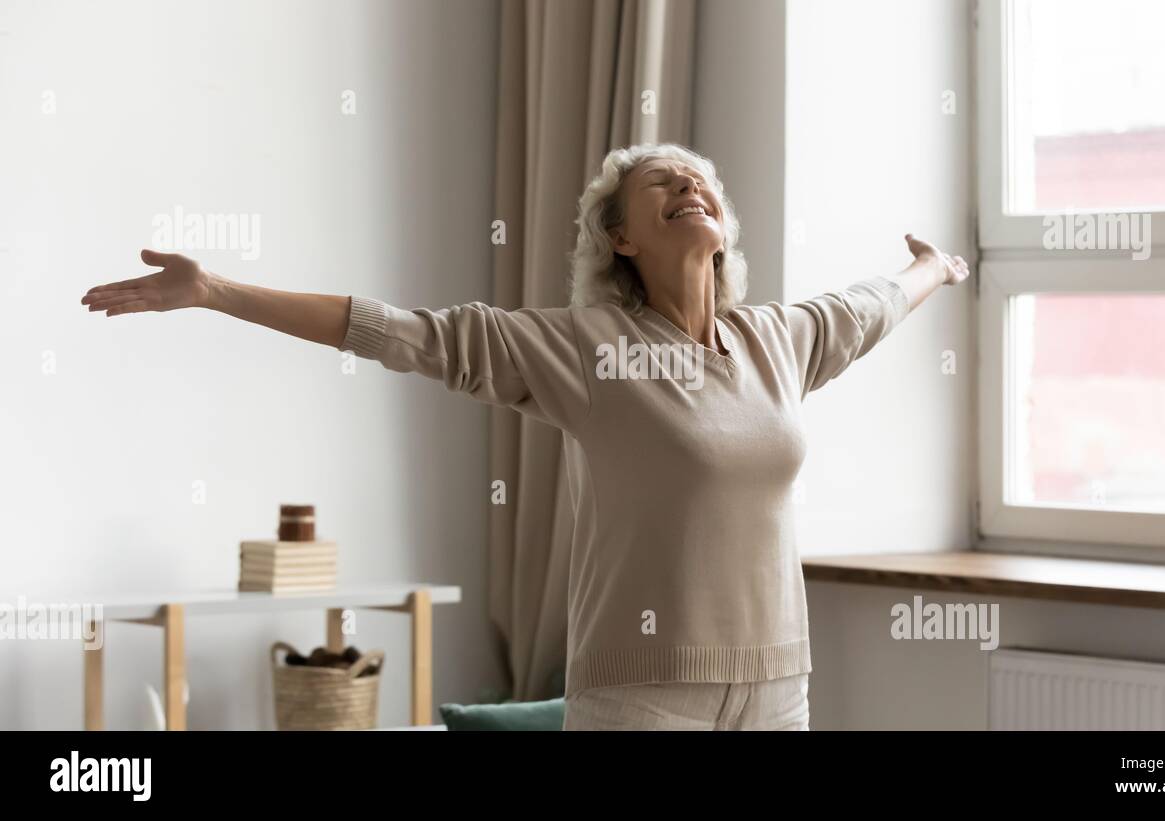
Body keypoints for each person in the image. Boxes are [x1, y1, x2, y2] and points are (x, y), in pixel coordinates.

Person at [81, 142, 969, 730]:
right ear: (620, 237)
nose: (688, 187)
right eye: (662, 182)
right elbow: (409, 331)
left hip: (780, 687)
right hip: (644, 694)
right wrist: (220, 291)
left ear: (723, 226)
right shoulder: (586, 348)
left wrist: (936, 265)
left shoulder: (778, 339)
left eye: (699, 181)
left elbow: (873, 305)